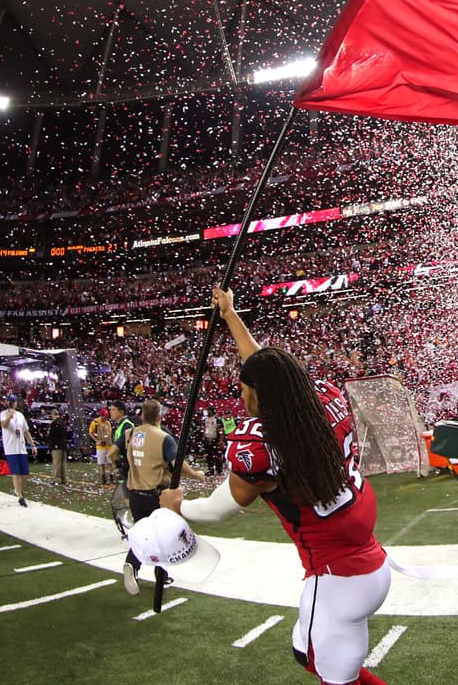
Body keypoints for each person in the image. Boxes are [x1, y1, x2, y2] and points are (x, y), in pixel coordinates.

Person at [162, 284, 392, 685]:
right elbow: (270, 371)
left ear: (258, 394)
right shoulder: (325, 398)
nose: (241, 395)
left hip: (337, 578)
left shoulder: (264, 445)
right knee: (311, 655)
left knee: (326, 669)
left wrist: (177, 506)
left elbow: (221, 507)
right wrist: (231, 315)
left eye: (243, 389)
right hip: (366, 560)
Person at [117, 398, 203, 596]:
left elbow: (114, 452)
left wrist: (125, 470)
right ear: (159, 416)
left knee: (143, 533)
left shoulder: (130, 434)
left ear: (141, 415)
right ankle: (159, 576)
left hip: (135, 493)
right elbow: (178, 465)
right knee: (162, 538)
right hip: (156, 494)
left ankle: (134, 566)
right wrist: (197, 475)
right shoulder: (163, 437)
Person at [0, 394, 36, 507]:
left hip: (21, 447)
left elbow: (25, 431)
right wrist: (9, 417)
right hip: (11, 447)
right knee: (16, 472)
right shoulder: (3, 414)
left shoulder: (20, 415)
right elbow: (4, 425)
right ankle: (20, 496)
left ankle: (19, 490)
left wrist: (32, 444)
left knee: (24, 473)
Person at [88, 407, 114, 485]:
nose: (106, 418)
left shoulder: (108, 423)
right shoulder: (95, 422)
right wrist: (97, 441)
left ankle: (111, 477)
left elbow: (109, 433)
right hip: (100, 446)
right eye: (104, 416)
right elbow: (91, 433)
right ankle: (103, 478)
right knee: (101, 463)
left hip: (108, 445)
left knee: (110, 462)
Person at [48, 410, 69, 486]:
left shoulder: (54, 423)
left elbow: (51, 435)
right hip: (63, 444)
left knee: (57, 463)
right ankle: (64, 478)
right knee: (63, 463)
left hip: (56, 445)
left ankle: (57, 479)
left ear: (53, 414)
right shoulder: (63, 423)